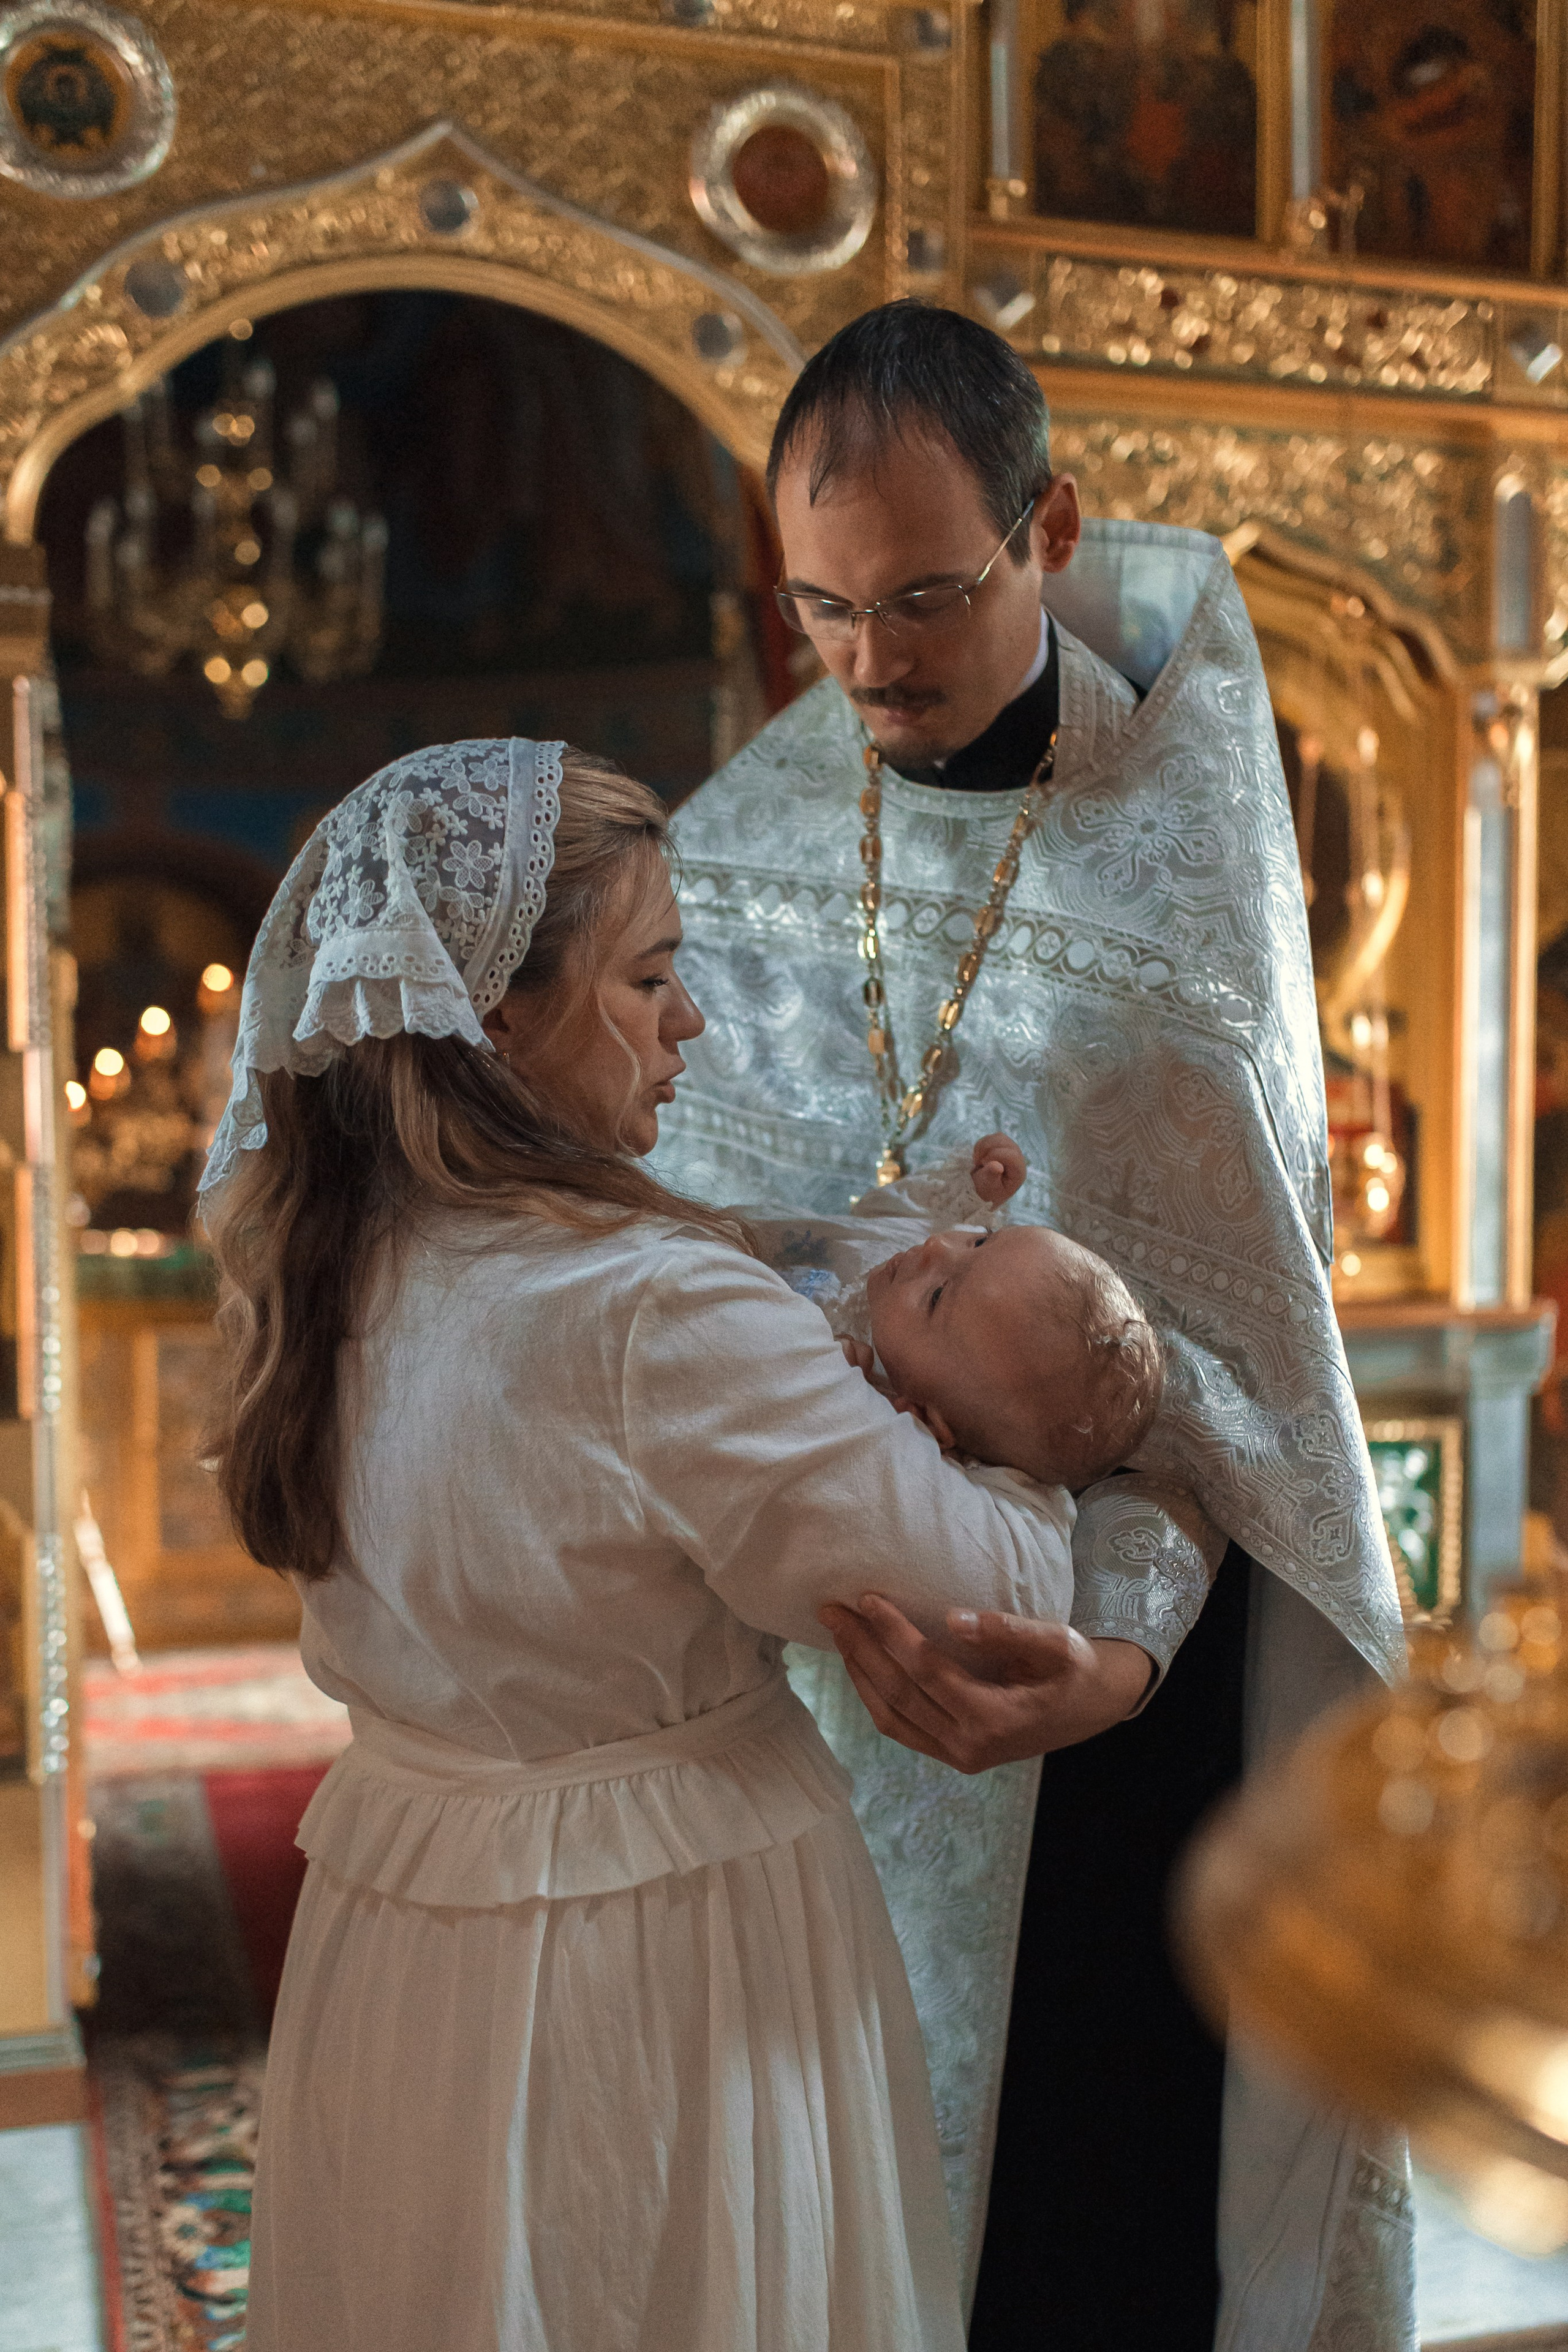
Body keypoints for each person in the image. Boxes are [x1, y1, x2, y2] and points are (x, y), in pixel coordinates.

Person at [654, 301, 1414, 2350]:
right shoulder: (737, 850)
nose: (876, 663)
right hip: (832, 1692)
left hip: (1116, 1707)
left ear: (1051, 527)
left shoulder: (1183, 879)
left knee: (1093, 2230)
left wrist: (1111, 1655)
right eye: (823, 608)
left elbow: (1238, 1380)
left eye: (925, 595)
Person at [205, 737, 1080, 2352]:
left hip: (404, 1938)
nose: (693, 1022)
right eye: (651, 977)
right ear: (500, 1018)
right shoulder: (646, 1312)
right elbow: (990, 1592)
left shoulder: (336, 1267)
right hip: (657, 1951)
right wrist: (1017, 1472)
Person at [747, 1135, 1164, 1489]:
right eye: (984, 1240)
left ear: (930, 1419)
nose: (936, 1247)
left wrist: (825, 1384)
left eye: (937, 1297)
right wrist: (974, 1191)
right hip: (731, 1221)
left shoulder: (863, 1392)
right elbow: (880, 1216)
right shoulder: (920, 1267)